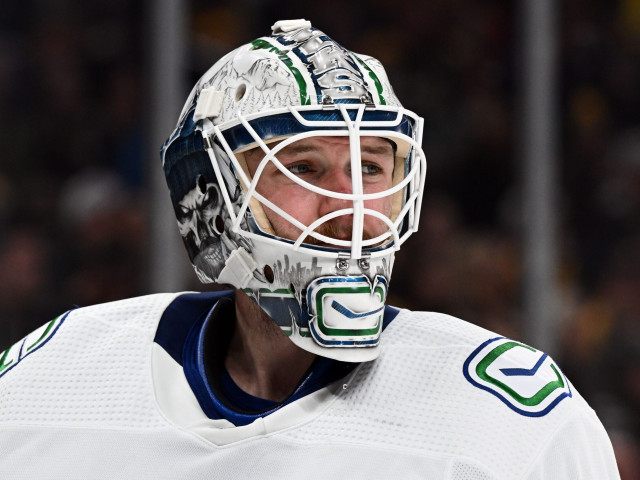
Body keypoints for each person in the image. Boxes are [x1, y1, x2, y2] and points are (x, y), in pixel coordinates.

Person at [0, 19, 620, 479]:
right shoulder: (51, 382)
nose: (347, 205)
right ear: (214, 198)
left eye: (372, 169)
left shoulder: (512, 424)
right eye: (303, 167)